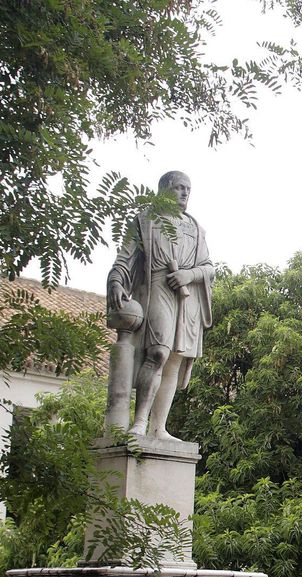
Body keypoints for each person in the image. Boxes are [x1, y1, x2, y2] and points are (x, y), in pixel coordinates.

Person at [104, 170, 214, 440]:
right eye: (179, 187)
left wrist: (189, 274)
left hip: (188, 296)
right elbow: (125, 257)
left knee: (174, 360)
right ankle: (139, 422)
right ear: (164, 190)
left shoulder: (196, 228)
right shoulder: (145, 221)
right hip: (157, 288)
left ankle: (159, 427)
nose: (185, 193)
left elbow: (209, 267)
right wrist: (117, 282)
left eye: (188, 188)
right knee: (158, 354)